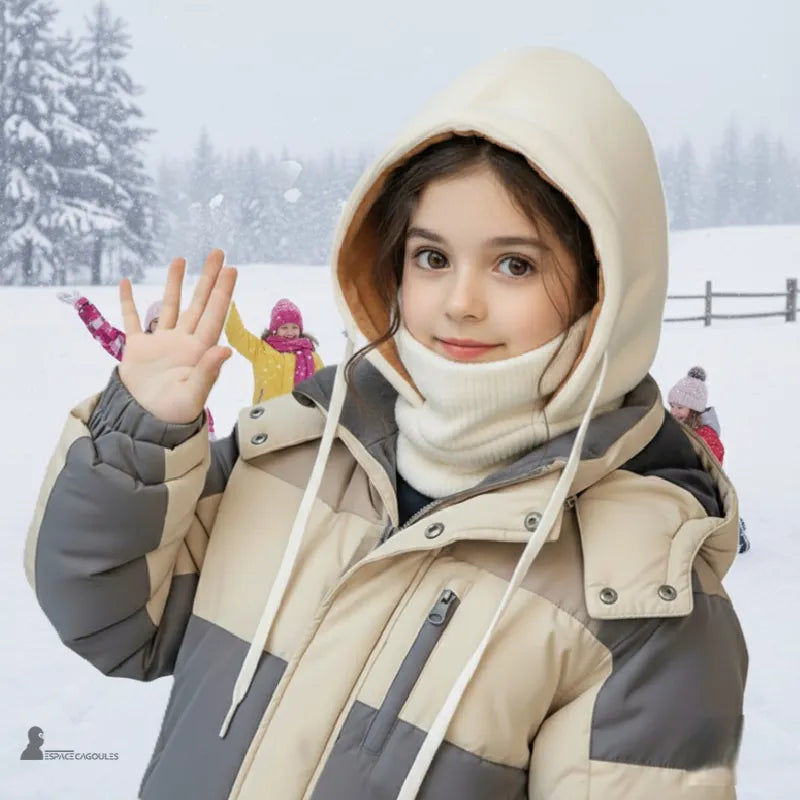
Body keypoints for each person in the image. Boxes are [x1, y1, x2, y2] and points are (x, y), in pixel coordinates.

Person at [26, 49, 746, 799]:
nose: (459, 302)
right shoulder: (287, 459)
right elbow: (110, 617)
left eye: (515, 266)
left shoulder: (641, 597)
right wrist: (137, 438)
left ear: (606, 288)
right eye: (432, 256)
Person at [56, 291, 216, 439]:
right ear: (149, 325)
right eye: (156, 321)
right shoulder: (138, 351)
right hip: (146, 429)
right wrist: (84, 307)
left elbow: (195, 397)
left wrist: (208, 433)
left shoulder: (185, 353)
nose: (162, 324)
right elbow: (107, 335)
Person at [669, 366, 749, 553]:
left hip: (707, 482)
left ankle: (737, 533)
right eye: (672, 406)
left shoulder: (707, 435)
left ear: (695, 409)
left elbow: (712, 462)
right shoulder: (679, 425)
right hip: (687, 478)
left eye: (680, 407)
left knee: (716, 512)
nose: (674, 412)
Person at [225, 296, 323, 404]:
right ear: (275, 330)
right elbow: (236, 335)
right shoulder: (261, 350)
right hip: (266, 416)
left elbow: (324, 389)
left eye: (294, 327)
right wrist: (226, 301)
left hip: (300, 417)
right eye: (284, 328)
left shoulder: (311, 357)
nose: (290, 332)